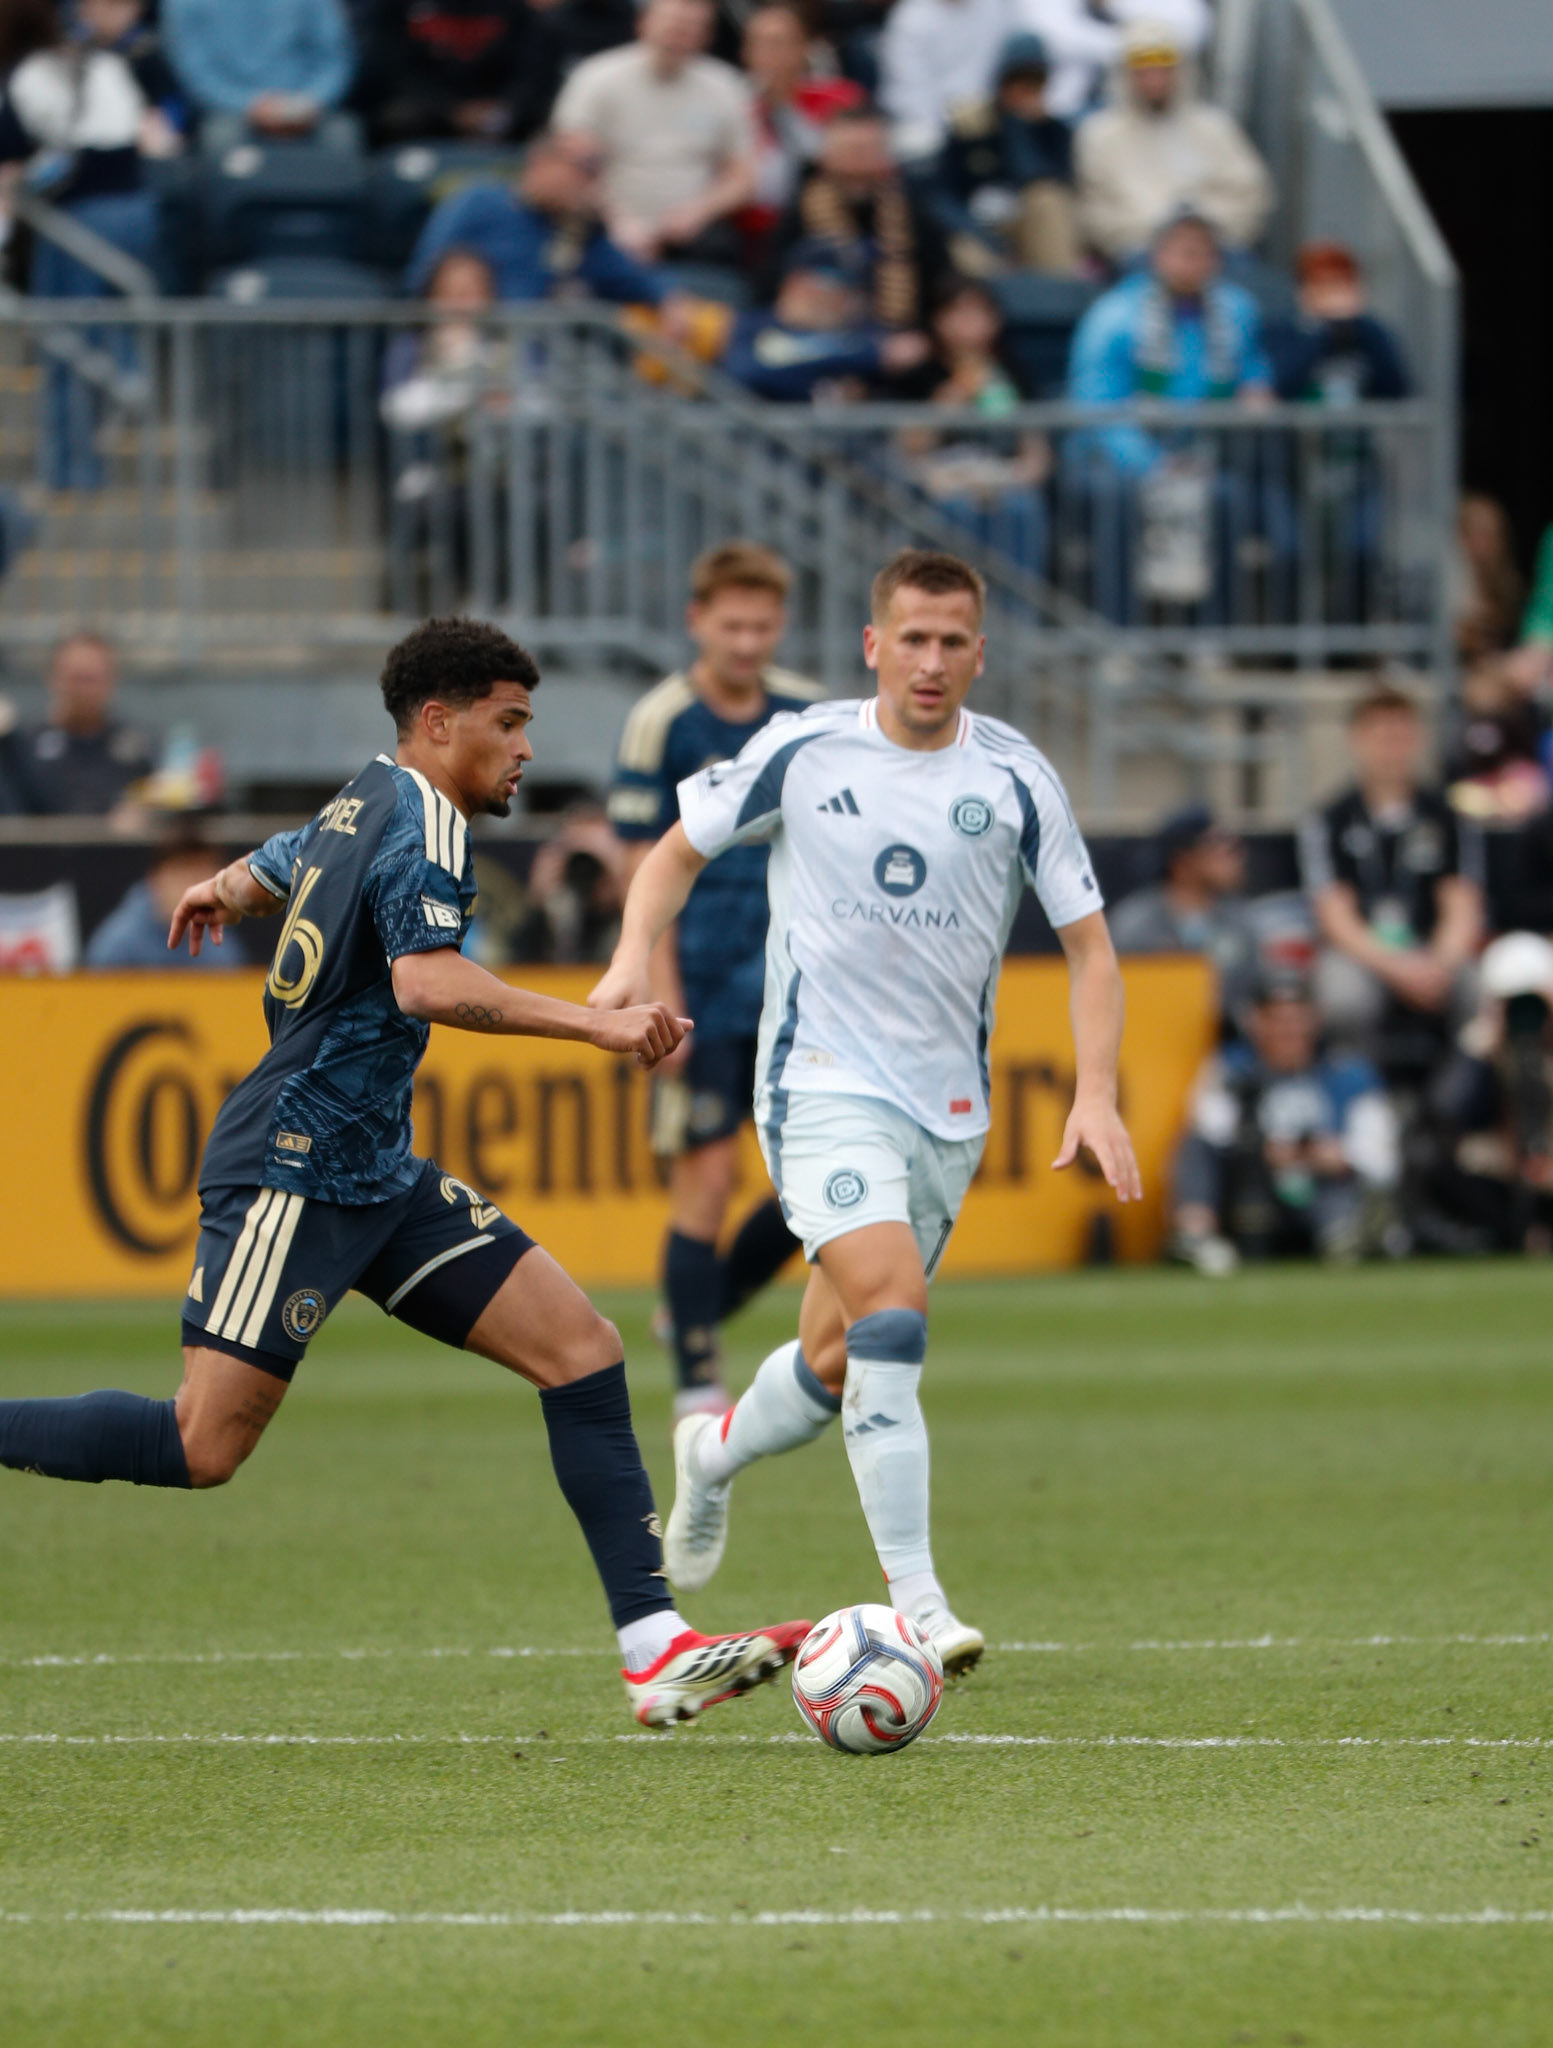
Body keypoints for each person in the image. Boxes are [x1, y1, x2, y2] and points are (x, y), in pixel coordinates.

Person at [0, 616, 808, 1730]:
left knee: (582, 1349)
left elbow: (282, 858)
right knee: (200, 1444)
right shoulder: (422, 817)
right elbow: (426, 984)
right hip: (292, 1167)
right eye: (507, 723)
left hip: (375, 1171)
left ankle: (654, 1647)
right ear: (438, 721)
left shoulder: (366, 795)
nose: (525, 748)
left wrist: (222, 887)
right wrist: (594, 1025)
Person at [589, 548, 1141, 1674]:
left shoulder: (1016, 777)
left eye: (952, 642)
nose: (930, 661)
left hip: (946, 1111)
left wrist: (1095, 1092)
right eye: (912, 639)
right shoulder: (802, 749)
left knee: (836, 1358)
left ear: (979, 654)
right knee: (893, 1315)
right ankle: (921, 1605)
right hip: (819, 1083)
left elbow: (1090, 948)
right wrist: (629, 960)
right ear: (872, 645)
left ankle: (711, 1452)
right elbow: (672, 853)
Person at [606, 544, 820, 1419]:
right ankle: (699, 1382)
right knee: (706, 1179)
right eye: (731, 625)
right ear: (697, 621)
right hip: (696, 983)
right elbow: (636, 861)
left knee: (813, 1190)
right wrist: (658, 996)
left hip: (795, 990)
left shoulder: (807, 712)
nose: (746, 643)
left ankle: (696, 1310)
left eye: (761, 626)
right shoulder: (662, 720)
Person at [1065, 206, 1279, 623]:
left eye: (1203, 252)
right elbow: (1095, 404)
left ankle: (1210, 633)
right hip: (1115, 457)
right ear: (1157, 255)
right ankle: (1120, 631)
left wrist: (1257, 388)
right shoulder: (1114, 315)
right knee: (1118, 501)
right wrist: (1154, 464)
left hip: (1201, 454)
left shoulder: (1236, 310)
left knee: (1227, 499)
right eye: (1182, 250)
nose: (1192, 261)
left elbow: (1253, 367)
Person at [1299, 683, 1485, 1060]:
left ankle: (1467, 1087)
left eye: (1401, 735)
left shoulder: (1446, 816)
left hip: (1429, 948)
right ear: (1355, 739)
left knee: (1480, 988)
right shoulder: (1330, 819)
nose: (1392, 748)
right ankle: (1358, 1087)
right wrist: (1398, 968)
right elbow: (1335, 915)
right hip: (1363, 954)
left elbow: (1462, 903)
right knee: (1343, 995)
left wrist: (1437, 964)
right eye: (1381, 736)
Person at [1170, 971, 1400, 1274]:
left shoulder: (1347, 1071)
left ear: (1314, 1019)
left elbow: (1380, 1153)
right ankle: (1195, 1235)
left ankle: (1350, 1235)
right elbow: (1208, 1124)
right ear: (1255, 1021)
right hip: (1255, 1183)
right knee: (1196, 1146)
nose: (1288, 1030)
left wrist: (1338, 1154)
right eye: (1277, 1019)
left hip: (1324, 1182)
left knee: (1351, 1183)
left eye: (1296, 1018)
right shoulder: (1233, 1067)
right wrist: (1264, 1149)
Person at [552, 0, 756, 266]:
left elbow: (743, 177)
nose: (680, 35)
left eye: (692, 27)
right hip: (604, 221)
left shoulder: (726, 87)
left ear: (708, 36)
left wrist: (700, 211)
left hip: (692, 232)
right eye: (673, 25)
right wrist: (615, 220)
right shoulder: (597, 77)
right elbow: (569, 161)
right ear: (643, 23)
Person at [1073, 17, 1271, 265]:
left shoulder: (1214, 127)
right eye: (1143, 69)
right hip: (1140, 255)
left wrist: (1199, 230)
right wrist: (1161, 234)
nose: (1155, 79)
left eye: (1164, 68)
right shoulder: (1100, 134)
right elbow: (1095, 212)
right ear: (1126, 74)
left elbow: (1251, 194)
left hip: (1218, 252)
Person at [404, 130, 670, 309]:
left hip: (541, 361)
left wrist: (669, 299)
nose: (590, 181)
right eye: (585, 168)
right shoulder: (479, 202)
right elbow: (421, 278)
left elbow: (634, 279)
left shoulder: (577, 229)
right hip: (467, 347)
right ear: (542, 163)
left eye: (597, 172)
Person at [761, 101, 945, 331]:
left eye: (867, 150)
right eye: (849, 150)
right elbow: (771, 285)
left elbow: (937, 280)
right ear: (827, 153)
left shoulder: (910, 208)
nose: (857, 162)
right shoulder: (802, 207)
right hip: (819, 332)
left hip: (899, 332)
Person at [1429, 932, 1553, 1253]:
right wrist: (1480, 1045)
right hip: (1507, 1156)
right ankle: (1513, 1235)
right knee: (1449, 1161)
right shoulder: (1486, 1045)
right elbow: (1450, 1109)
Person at [929, 32, 1078, 279]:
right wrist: (979, 234)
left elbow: (1047, 181)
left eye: (1034, 83)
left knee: (1048, 200)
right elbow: (943, 194)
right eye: (1017, 80)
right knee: (967, 253)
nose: (1023, 91)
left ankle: (1061, 291)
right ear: (1001, 81)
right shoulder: (971, 125)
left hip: (1028, 222)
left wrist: (1021, 127)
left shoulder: (1053, 130)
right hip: (978, 225)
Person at [723, 237, 930, 401]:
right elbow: (746, 370)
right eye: (838, 284)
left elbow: (906, 352)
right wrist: (868, 355)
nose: (850, 299)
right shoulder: (751, 325)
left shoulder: (857, 334)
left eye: (855, 289)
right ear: (798, 282)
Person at [1109, 803, 1258, 1021]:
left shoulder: (1240, 920)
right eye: (1219, 844)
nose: (1235, 855)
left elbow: (1256, 993)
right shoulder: (1135, 924)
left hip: (1225, 1036)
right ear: (1183, 859)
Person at [355, 0, 561, 149]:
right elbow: (392, 71)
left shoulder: (516, 9)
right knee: (400, 117)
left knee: (541, 122)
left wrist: (503, 108)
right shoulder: (399, 7)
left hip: (498, 111)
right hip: (428, 111)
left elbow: (533, 73)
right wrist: (451, 111)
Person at [161, 0, 357, 152]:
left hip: (307, 107)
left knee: (342, 136)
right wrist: (251, 106)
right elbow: (197, 75)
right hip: (231, 112)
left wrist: (310, 102)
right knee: (221, 138)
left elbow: (335, 59)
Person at [741, 2, 863, 243]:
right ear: (746, 52)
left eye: (779, 43)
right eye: (759, 43)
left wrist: (782, 106)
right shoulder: (735, 106)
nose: (770, 54)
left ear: (804, 47)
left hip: (828, 221)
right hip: (755, 232)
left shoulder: (838, 97)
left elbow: (847, 161)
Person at [13, 631, 154, 817]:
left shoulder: (136, 748)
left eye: (92, 679)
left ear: (112, 680)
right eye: (76, 678)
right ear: (53, 678)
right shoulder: (23, 747)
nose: (84, 690)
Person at [1018, 0, 1209, 122]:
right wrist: (1135, 43)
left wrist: (1113, 6)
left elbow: (1191, 31)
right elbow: (1052, 37)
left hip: (1144, 108)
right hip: (1065, 109)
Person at [85, 826, 243, 971]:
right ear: (155, 878)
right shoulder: (119, 946)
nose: (194, 887)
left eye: (203, 875)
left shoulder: (222, 947)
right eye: (183, 875)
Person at [876, 0, 1015, 164]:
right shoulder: (911, 16)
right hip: (928, 118)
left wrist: (989, 103)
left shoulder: (993, 7)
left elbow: (1005, 63)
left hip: (990, 109)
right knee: (919, 145)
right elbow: (907, 87)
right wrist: (948, 118)